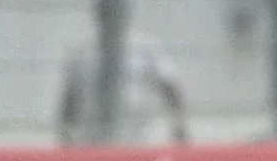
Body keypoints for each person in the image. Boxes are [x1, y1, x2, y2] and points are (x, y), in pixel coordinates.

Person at [58, 30, 191, 144]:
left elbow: (171, 87)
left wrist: (179, 127)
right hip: (93, 145)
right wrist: (67, 140)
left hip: (139, 142)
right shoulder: (84, 53)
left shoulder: (143, 48)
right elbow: (69, 105)